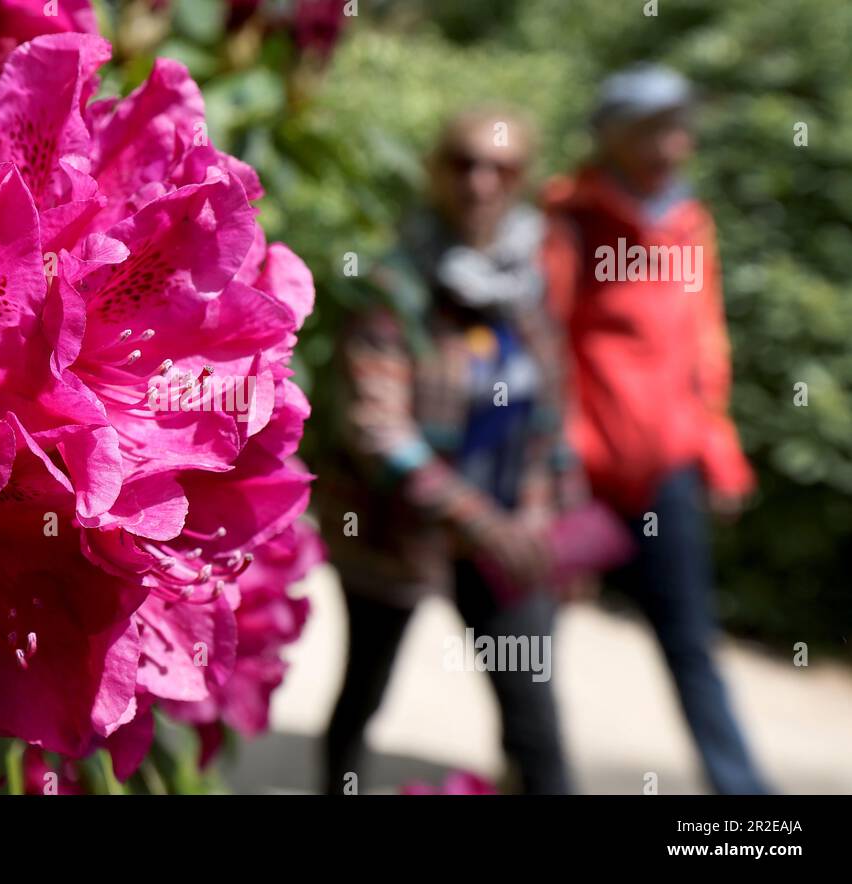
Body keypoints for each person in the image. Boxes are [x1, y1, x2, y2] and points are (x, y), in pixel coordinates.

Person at [319, 108, 578, 795]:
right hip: (397, 533)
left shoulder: (532, 280)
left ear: (524, 180)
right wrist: (478, 519)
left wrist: (556, 521)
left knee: (534, 717)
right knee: (362, 696)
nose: (481, 182)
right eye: (464, 163)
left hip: (510, 535)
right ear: (436, 170)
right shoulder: (392, 282)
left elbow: (552, 412)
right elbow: (378, 429)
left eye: (502, 168)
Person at [541, 64, 769, 794]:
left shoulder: (689, 219)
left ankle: (747, 804)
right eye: (657, 128)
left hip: (666, 470)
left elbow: (705, 344)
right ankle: (537, 773)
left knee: (691, 645)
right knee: (532, 643)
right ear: (615, 135)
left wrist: (719, 449)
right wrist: (557, 458)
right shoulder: (570, 216)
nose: (676, 143)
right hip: (581, 472)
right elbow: (546, 340)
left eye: (680, 126)